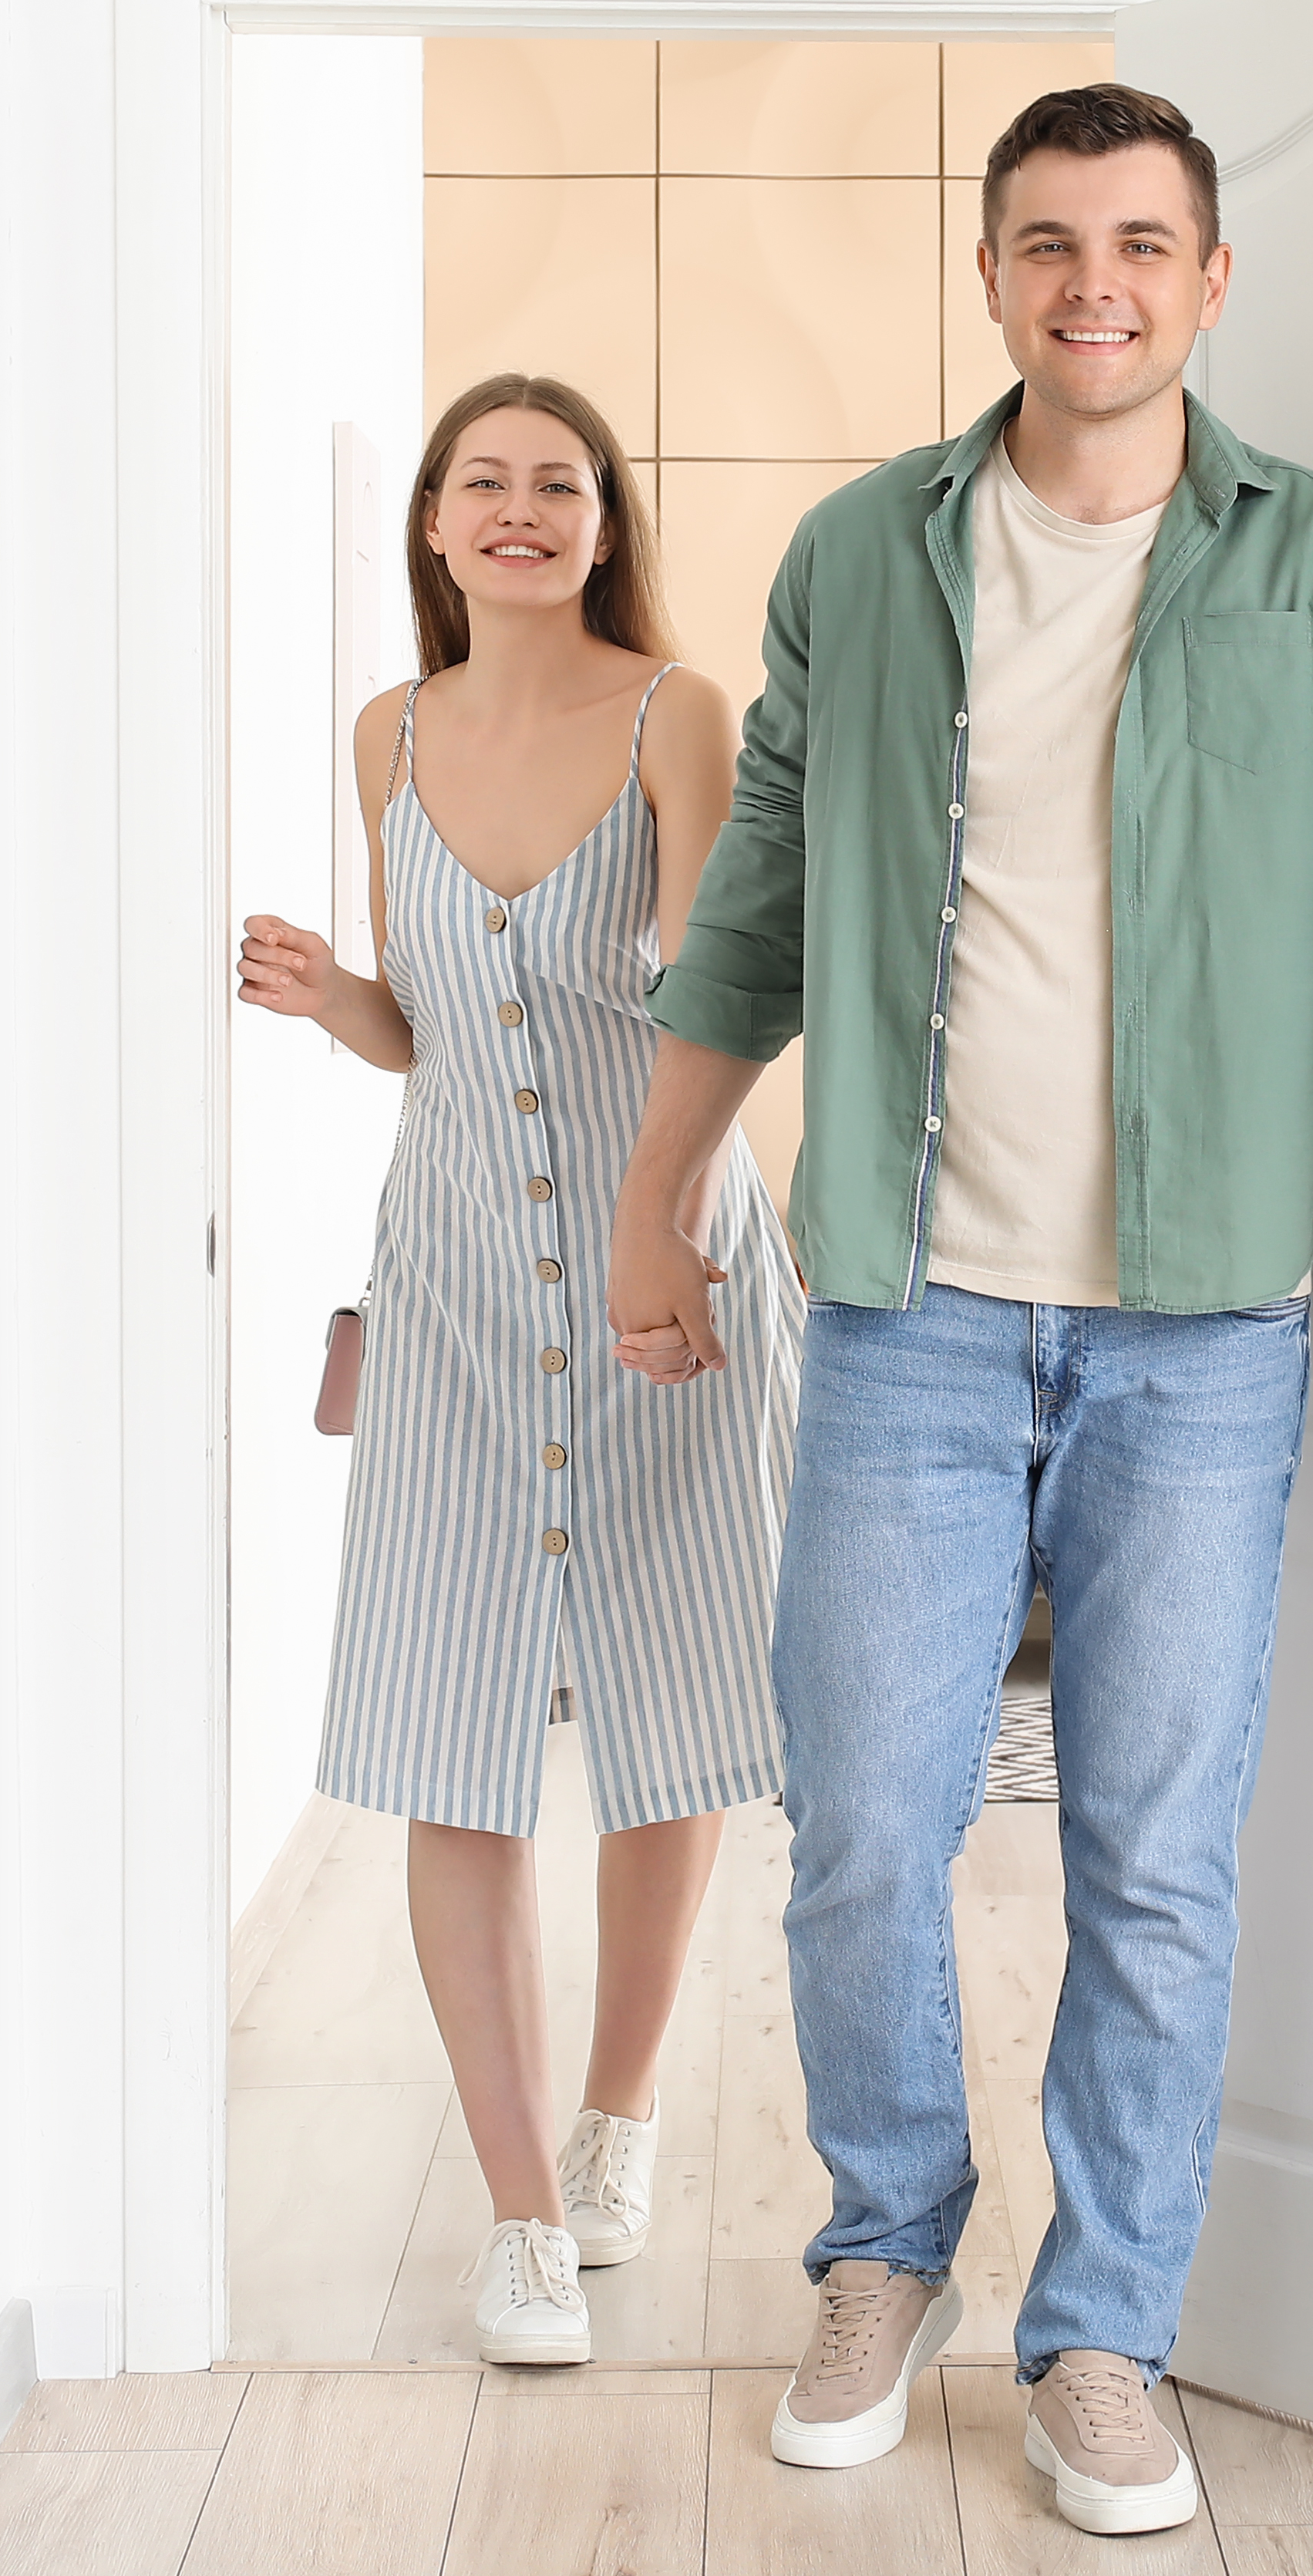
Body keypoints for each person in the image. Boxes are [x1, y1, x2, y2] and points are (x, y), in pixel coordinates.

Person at [602, 87, 1313, 2530]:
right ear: (989, 278)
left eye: (1139, 244)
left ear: (1212, 284)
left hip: (1204, 1336)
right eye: (1044, 244)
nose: (1091, 282)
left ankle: (1104, 2331)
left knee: (1158, 1857)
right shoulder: (864, 559)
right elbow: (764, 885)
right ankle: (886, 2242)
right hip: (906, 1306)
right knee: (865, 1835)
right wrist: (660, 1187)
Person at [240, 372, 803, 2370]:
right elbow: (432, 1029)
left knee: (667, 1692)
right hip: (458, 1285)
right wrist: (337, 1004)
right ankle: (516, 2217)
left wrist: (665, 1236)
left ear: (602, 522)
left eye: (557, 483)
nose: (520, 508)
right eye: (483, 479)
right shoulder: (387, 731)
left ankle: (624, 2112)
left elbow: (718, 991)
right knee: (444, 1716)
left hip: (676, 1268)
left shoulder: (676, 717)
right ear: (428, 521)